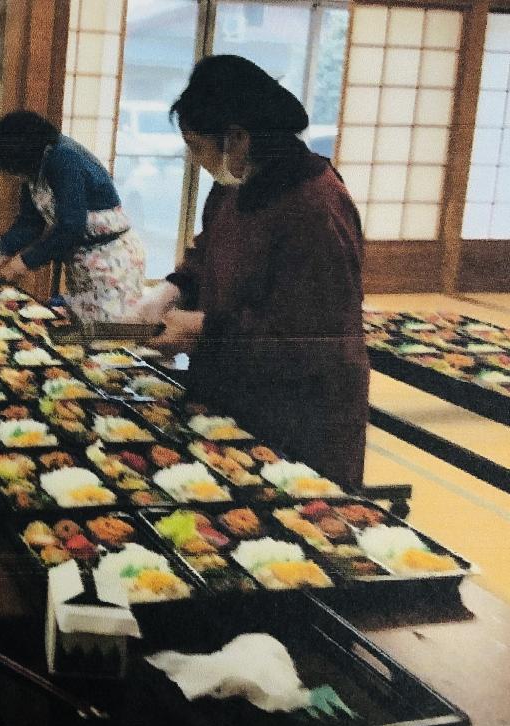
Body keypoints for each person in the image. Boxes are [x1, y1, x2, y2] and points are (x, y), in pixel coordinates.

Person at [144, 55, 369, 487]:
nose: (197, 161)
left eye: (198, 148)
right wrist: (171, 290)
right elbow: (208, 251)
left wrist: (202, 326)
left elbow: (307, 337)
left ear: (238, 138)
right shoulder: (234, 184)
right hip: (233, 387)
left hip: (300, 411)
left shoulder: (316, 206)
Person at [0, 110, 146, 321]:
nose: (14, 176)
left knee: (108, 332)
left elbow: (71, 226)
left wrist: (22, 263)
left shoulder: (64, 158)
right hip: (83, 261)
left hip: (113, 262)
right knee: (83, 328)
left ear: (22, 153)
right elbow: (30, 224)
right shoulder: (34, 167)